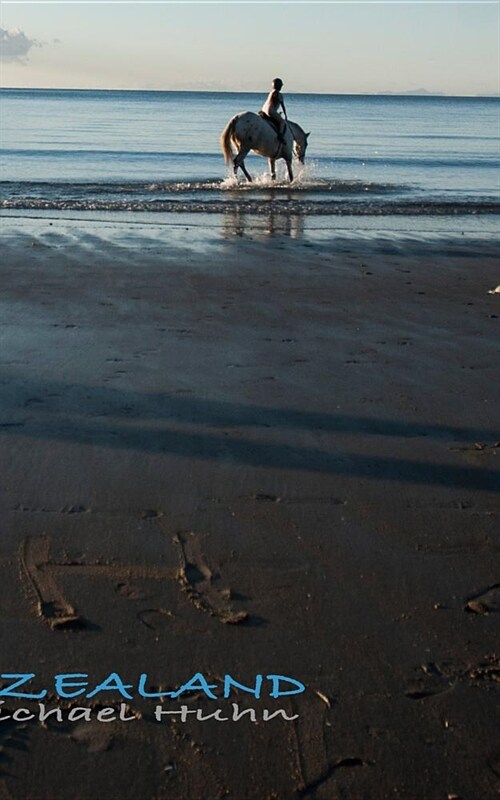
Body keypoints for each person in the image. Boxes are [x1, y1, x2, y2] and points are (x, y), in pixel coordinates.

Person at [261, 78, 287, 143]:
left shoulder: (271, 93)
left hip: (264, 110)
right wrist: (285, 115)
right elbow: (282, 106)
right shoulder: (279, 95)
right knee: (282, 122)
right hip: (270, 112)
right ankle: (280, 136)